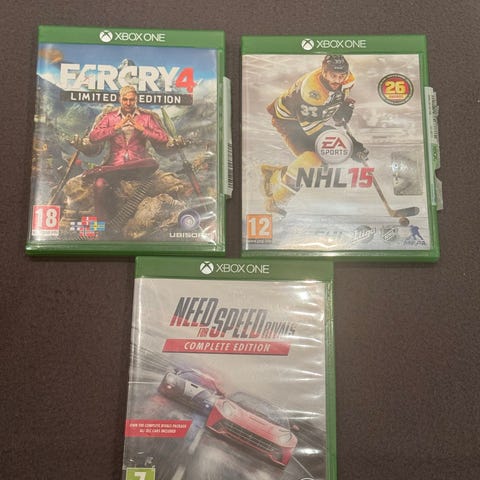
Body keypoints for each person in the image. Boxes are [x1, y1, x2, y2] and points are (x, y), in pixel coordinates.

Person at [261, 55, 369, 215]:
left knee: (322, 165)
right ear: (324, 73)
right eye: (333, 75)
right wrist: (350, 145)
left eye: (341, 75)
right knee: (313, 160)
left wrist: (340, 107)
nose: (338, 80)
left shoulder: (348, 79)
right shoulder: (311, 92)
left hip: (310, 118)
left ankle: (274, 175)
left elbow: (337, 96)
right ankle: (277, 201)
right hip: (290, 121)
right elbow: (313, 130)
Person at [80, 85, 170, 220]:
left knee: (152, 163)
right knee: (99, 184)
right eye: (125, 99)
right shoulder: (110, 117)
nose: (128, 103)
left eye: (131, 100)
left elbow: (163, 138)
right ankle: (100, 226)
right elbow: (93, 137)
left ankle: (102, 170)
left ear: (136, 100)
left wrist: (143, 129)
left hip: (139, 166)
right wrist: (115, 128)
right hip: (114, 166)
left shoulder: (146, 118)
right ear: (120, 99)